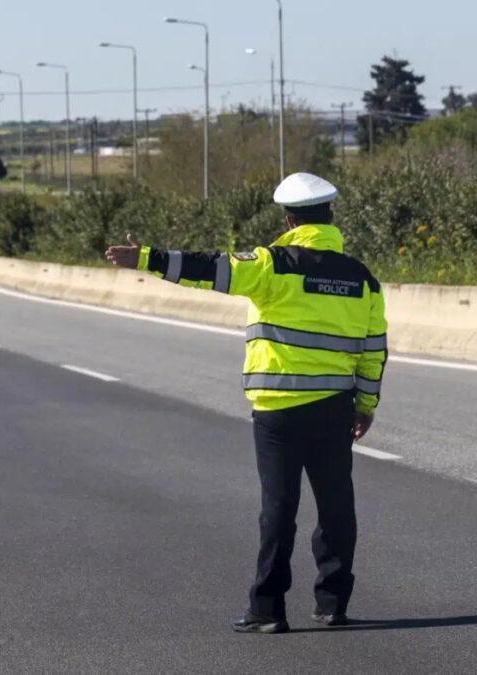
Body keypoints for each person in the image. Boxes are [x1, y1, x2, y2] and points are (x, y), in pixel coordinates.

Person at [104, 172, 387, 634]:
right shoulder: (363, 278)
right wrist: (366, 404)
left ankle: (268, 610)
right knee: (336, 506)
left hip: (277, 410)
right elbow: (374, 349)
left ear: (289, 220)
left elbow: (207, 268)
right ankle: (332, 603)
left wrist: (146, 258)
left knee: (278, 508)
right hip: (334, 408)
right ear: (331, 217)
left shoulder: (272, 264)